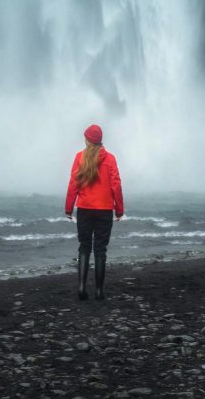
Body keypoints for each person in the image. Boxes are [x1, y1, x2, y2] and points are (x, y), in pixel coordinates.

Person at [65, 124, 124, 301]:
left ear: (87, 140)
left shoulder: (79, 157)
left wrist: (69, 208)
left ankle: (82, 288)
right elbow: (116, 184)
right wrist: (119, 209)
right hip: (104, 210)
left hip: (84, 209)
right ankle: (99, 291)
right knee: (100, 250)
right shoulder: (110, 159)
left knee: (84, 247)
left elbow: (73, 183)